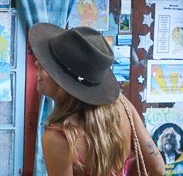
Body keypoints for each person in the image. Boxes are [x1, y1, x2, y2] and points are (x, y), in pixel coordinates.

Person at [29, 23, 166, 176]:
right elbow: (158, 168)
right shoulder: (123, 105)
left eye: (47, 64)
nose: (37, 63)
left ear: (64, 81)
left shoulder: (60, 137)